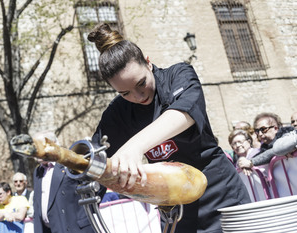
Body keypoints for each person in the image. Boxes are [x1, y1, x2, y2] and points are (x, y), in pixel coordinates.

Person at [88, 23, 250, 233]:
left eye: (141, 83)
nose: (138, 97)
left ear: (148, 62)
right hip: (175, 209)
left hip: (220, 194)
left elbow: (184, 113)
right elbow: (95, 157)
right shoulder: (117, 112)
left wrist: (133, 148)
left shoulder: (179, 75)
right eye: (125, 93)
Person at [32, 131, 98, 233]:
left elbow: (95, 187)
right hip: (52, 229)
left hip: (75, 229)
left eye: (37, 146)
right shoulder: (38, 171)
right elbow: (37, 204)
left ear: (51, 144)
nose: (33, 150)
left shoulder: (69, 164)